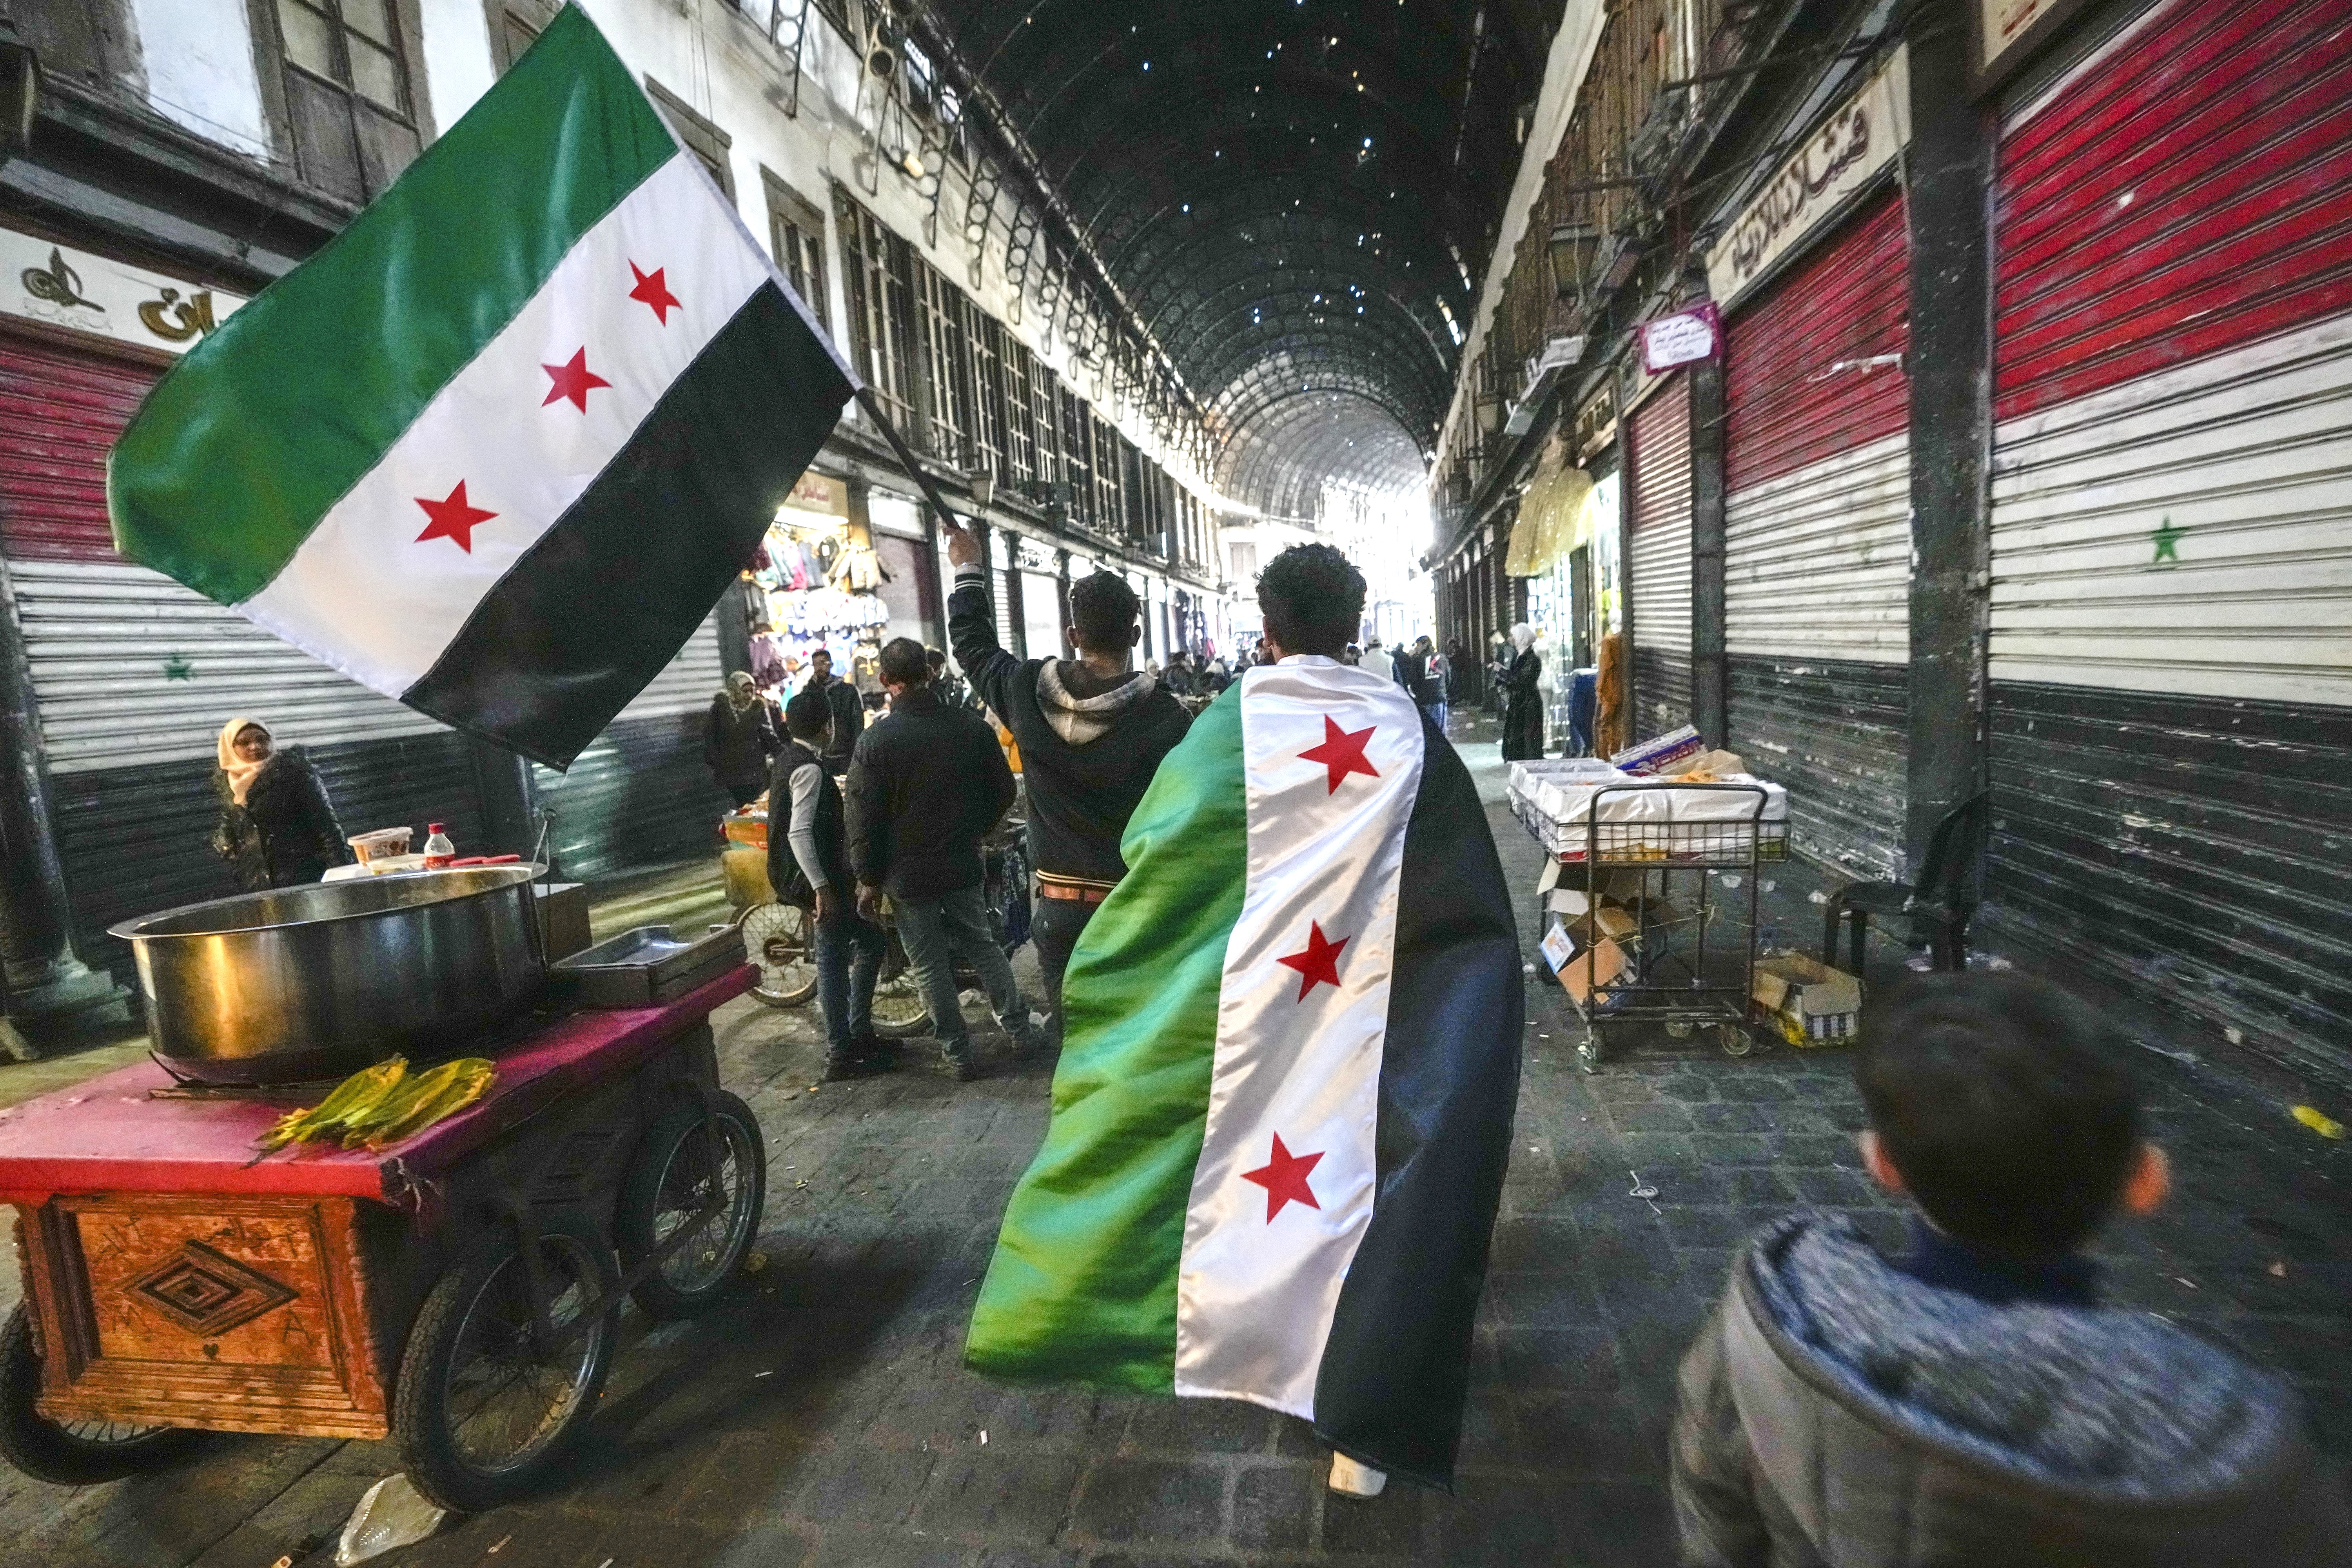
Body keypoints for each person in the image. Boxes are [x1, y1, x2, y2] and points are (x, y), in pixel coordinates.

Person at [967, 544, 1522, 1502]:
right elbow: (1460, 894)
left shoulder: (1225, 729)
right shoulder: (1409, 733)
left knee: (1265, 1169)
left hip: (1252, 1012)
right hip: (1375, 1014)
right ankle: (1359, 1425)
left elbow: (1163, 854)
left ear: (1266, 629)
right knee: (1365, 1177)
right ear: (1356, 628)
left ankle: (1254, 1339)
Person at [1670, 973, 2352, 1566]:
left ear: (1883, 1163)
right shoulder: (2243, 1463)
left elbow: (1715, 1512)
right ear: (2146, 1181)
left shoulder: (1771, 1327)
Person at [947, 524, 1191, 1058]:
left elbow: (972, 646)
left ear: (1072, 633)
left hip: (1058, 914)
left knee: (1077, 1052)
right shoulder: (1165, 717)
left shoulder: (1026, 691)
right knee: (1139, 1049)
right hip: (1134, 910)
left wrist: (968, 570)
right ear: (1136, 633)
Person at [847, 637, 1042, 1080]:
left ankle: (958, 1054)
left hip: (906, 874)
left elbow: (863, 817)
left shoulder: (875, 742)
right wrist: (973, 829)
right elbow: (1004, 791)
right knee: (983, 945)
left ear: (885, 681)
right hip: (960, 862)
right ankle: (1021, 1031)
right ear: (930, 673)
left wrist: (868, 877)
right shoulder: (970, 728)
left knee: (928, 962)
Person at [772, 689, 893, 1081]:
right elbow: (799, 832)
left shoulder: (792, 760)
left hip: (822, 879)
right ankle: (841, 1053)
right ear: (829, 725)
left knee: (872, 942)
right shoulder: (808, 768)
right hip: (823, 882)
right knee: (832, 960)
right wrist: (821, 888)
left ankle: (858, 1033)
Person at [210, 717, 353, 891]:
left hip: (305, 880)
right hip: (259, 887)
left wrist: (343, 876)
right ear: (230, 749)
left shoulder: (295, 775)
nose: (255, 746)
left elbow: (327, 828)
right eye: (244, 743)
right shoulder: (228, 786)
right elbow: (230, 833)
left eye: (262, 740)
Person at [704, 671, 780, 808]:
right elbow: (710, 736)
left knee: (753, 804)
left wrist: (782, 754)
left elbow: (768, 734)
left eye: (752, 691)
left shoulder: (758, 707)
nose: (750, 695)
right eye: (745, 691)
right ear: (734, 690)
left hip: (754, 767)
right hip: (731, 768)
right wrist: (716, 761)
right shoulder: (720, 708)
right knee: (742, 804)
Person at [802, 646, 864, 775]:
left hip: (846, 754)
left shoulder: (848, 691)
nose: (819, 667)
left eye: (823, 663)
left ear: (831, 664)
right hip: (820, 756)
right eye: (816, 664)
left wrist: (856, 752)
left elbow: (858, 723)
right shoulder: (809, 692)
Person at [1499, 623, 1543, 760]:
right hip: (1520, 703)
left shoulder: (1532, 659)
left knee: (1529, 737)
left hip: (1528, 703)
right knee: (1520, 736)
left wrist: (1502, 672)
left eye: (1514, 636)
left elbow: (1522, 680)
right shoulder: (1519, 656)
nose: (1511, 639)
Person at [1408, 635, 1448, 734]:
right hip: (1439, 698)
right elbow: (1448, 678)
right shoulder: (1442, 658)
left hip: (1424, 699)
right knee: (1440, 731)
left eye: (1418, 645)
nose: (1417, 648)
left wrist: (1418, 694)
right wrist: (1442, 690)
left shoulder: (1417, 660)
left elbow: (1413, 681)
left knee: (1426, 731)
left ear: (1425, 644)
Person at [927, 647, 973, 711]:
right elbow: (952, 710)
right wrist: (960, 692)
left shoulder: (924, 684)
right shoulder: (938, 688)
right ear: (942, 666)